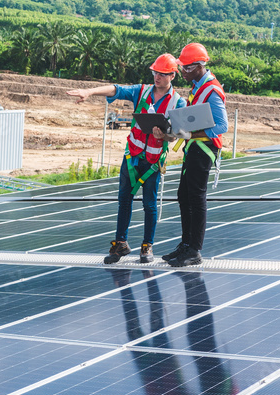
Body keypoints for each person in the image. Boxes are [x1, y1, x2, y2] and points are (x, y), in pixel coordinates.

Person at [67, 53, 185, 264]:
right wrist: (90, 91)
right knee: (124, 200)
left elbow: (181, 133)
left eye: (162, 74)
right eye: (155, 72)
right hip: (132, 158)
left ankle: (147, 245)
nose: (157, 77)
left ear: (172, 76)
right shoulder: (142, 91)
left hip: (153, 161)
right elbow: (117, 89)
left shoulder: (178, 102)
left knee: (149, 204)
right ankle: (120, 243)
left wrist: (165, 136)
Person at [153, 42, 228, 267]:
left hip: (203, 150)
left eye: (184, 67)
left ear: (197, 66)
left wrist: (193, 133)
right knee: (184, 196)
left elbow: (222, 126)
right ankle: (186, 244)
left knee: (196, 198)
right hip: (193, 148)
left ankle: (194, 249)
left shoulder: (212, 91)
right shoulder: (198, 85)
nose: (181, 71)